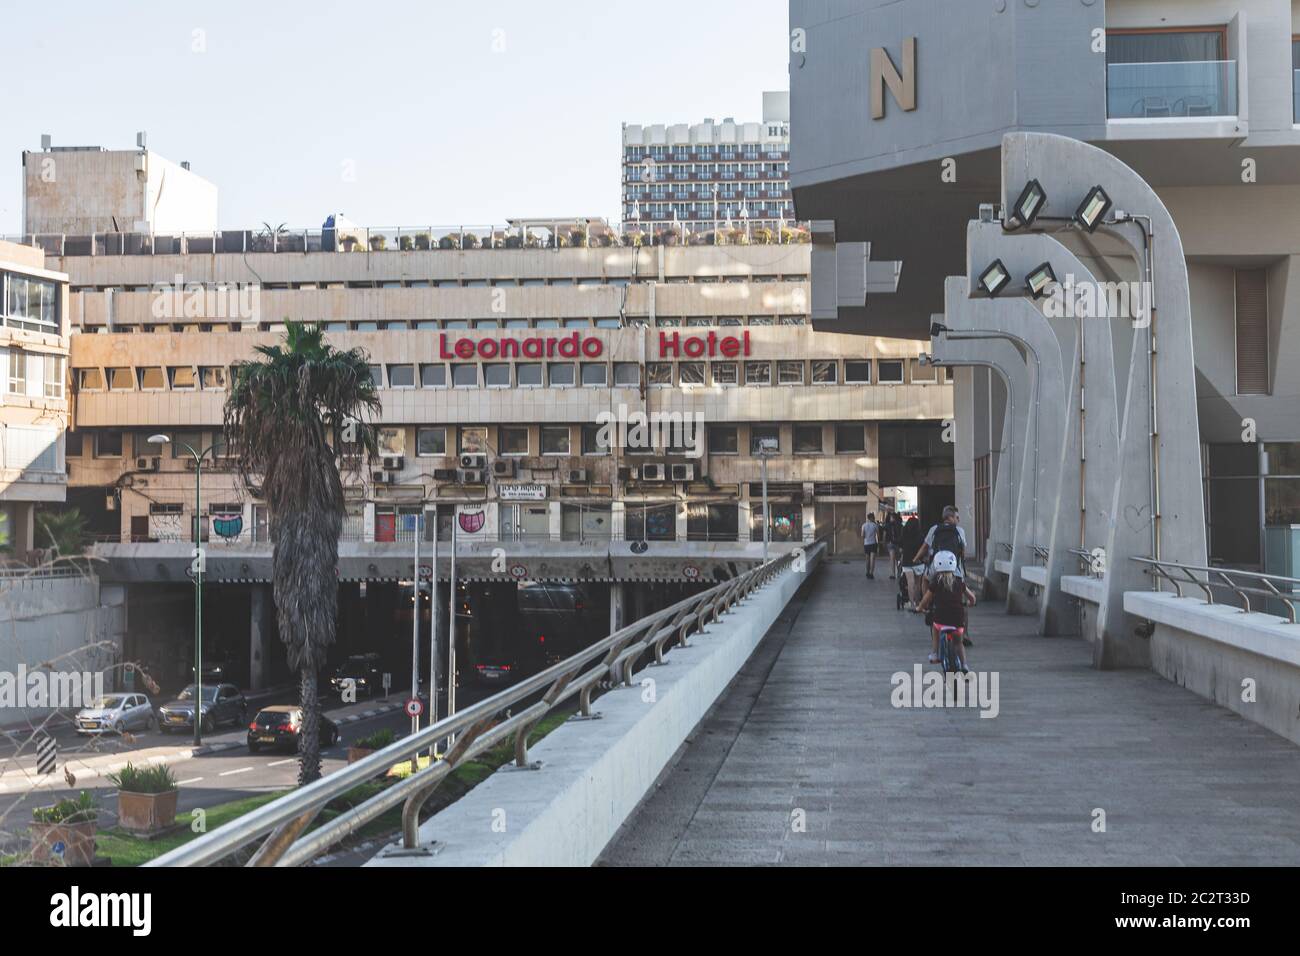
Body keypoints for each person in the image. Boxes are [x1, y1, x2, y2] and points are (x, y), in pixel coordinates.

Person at [915, 550, 977, 670]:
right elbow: (972, 598)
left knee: (935, 628)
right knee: (959, 643)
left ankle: (935, 653)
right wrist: (970, 603)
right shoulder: (960, 582)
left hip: (940, 617)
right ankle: (964, 665)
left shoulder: (935, 582)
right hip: (958, 618)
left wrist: (920, 608)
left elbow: (925, 600)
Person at [912, 505, 968, 579]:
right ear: (950, 517)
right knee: (960, 586)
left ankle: (926, 591)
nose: (959, 520)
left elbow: (925, 547)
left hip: (936, 567)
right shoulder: (960, 531)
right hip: (954, 568)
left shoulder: (934, 528)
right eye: (956, 517)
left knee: (925, 579)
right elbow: (963, 551)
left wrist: (915, 559)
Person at [860, 512, 881, 579]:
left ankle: (867, 572)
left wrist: (866, 537)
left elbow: (862, 535)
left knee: (867, 559)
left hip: (866, 544)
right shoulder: (875, 525)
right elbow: (878, 535)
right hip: (873, 543)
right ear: (872, 518)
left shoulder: (864, 525)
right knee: (872, 559)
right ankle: (871, 573)